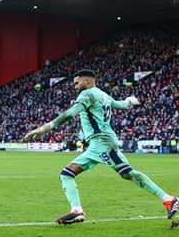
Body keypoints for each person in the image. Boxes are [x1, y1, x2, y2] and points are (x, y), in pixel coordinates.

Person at [25, 69, 177, 225]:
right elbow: (121, 105)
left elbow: (70, 114)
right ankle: (77, 211)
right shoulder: (103, 94)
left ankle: (169, 199)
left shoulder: (87, 94)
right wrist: (130, 101)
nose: (75, 86)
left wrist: (44, 128)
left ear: (87, 81)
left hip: (102, 142)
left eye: (77, 83)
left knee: (126, 173)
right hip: (100, 143)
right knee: (70, 174)